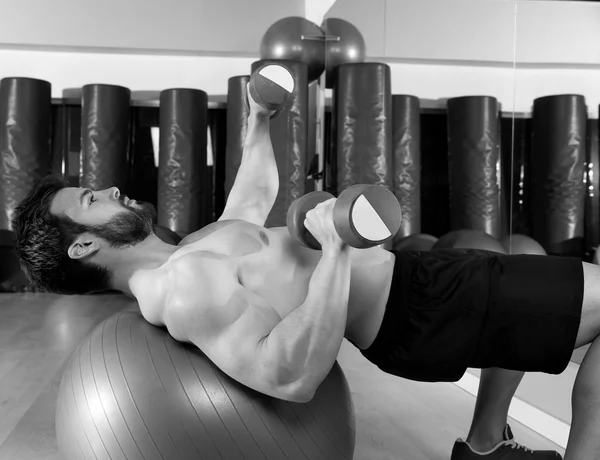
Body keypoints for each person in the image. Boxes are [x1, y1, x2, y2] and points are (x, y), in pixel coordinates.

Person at [11, 94, 600, 460]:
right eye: (91, 198)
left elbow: (252, 196)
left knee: (527, 319)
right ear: (85, 244)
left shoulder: (187, 252)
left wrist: (258, 122)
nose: (110, 189)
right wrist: (338, 249)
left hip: (422, 278)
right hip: (419, 311)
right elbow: (291, 376)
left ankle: (484, 445)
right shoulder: (180, 288)